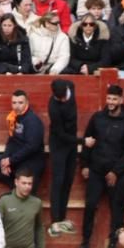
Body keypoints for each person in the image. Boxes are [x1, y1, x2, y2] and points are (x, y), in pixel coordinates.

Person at [77, 84, 124, 248]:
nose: (110, 102)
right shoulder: (97, 118)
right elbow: (88, 141)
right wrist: (84, 165)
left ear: (121, 100)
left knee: (117, 208)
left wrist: (115, 172)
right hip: (95, 170)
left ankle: (112, 243)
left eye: (114, 99)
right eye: (109, 98)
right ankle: (85, 243)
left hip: (115, 174)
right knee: (90, 205)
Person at [0, 90, 46, 188]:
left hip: (30, 160)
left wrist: (11, 161)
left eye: (20, 103)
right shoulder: (14, 118)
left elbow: (31, 147)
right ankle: (14, 187)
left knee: (25, 186)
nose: (17, 106)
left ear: (27, 103)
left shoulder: (33, 121)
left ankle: (18, 189)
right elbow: (11, 140)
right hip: (15, 158)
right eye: (14, 103)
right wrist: (5, 160)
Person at [47, 80, 80, 235]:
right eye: (60, 99)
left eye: (64, 97)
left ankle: (62, 217)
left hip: (71, 144)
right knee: (58, 181)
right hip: (59, 144)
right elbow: (61, 134)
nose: (63, 100)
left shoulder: (71, 86)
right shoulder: (53, 107)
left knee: (68, 180)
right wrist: (81, 141)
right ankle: (55, 220)